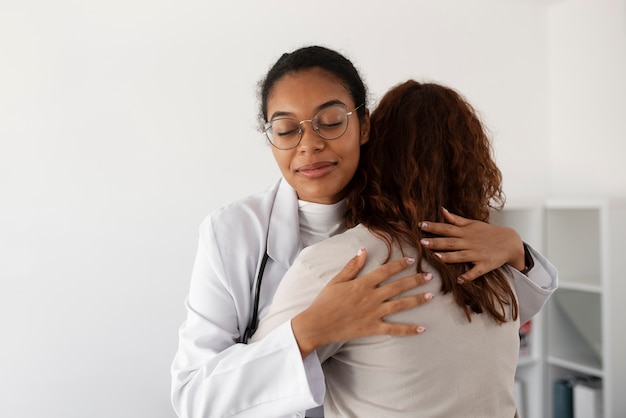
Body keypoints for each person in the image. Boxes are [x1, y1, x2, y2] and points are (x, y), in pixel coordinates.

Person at [171, 46, 557, 418]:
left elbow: (494, 315)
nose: (310, 145)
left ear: (365, 125)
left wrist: (515, 251)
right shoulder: (233, 232)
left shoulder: (410, 226)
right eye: (286, 130)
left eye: (331, 121)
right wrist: (313, 329)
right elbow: (193, 397)